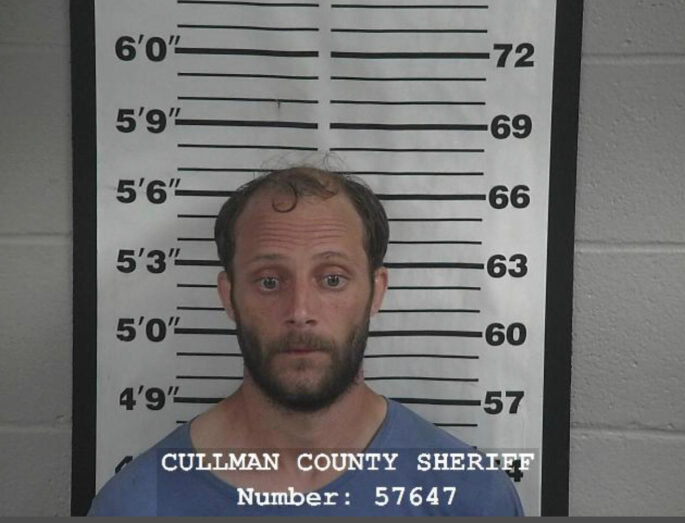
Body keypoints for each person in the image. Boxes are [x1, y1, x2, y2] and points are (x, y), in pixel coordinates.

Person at [87, 165, 524, 516]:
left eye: (332, 279)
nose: (299, 311)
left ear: (376, 292)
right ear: (229, 296)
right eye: (269, 281)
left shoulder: (471, 496)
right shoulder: (135, 505)